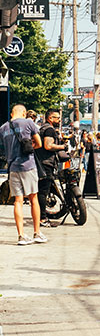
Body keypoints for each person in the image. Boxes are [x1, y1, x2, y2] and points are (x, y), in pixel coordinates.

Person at [0, 104, 45, 245]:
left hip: (12, 167)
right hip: (28, 165)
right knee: (33, 199)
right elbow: (39, 143)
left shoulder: (3, 128)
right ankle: (37, 233)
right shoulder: (28, 123)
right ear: (24, 113)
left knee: (18, 201)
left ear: (12, 114)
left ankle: (21, 236)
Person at [36, 109, 68, 227]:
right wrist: (62, 147)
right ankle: (42, 218)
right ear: (50, 118)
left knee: (41, 191)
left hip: (40, 162)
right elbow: (48, 146)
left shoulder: (42, 128)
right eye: (57, 118)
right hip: (46, 163)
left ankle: (41, 216)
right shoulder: (49, 129)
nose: (59, 120)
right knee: (43, 191)